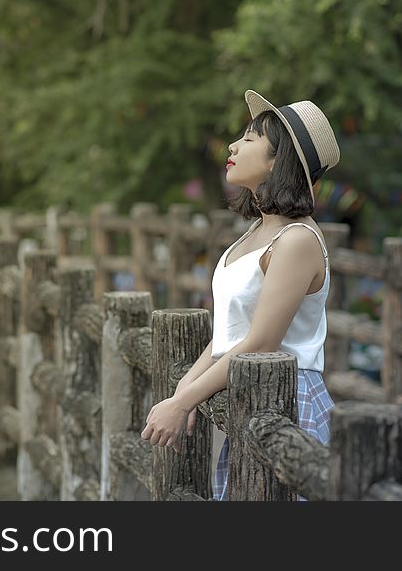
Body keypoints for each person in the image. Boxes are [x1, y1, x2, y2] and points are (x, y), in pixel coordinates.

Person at [140, 89, 339, 501]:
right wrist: (181, 396)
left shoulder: (296, 240)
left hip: (288, 400)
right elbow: (228, 336)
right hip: (250, 393)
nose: (233, 145)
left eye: (249, 139)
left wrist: (184, 401)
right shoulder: (255, 234)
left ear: (277, 161)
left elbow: (261, 343)